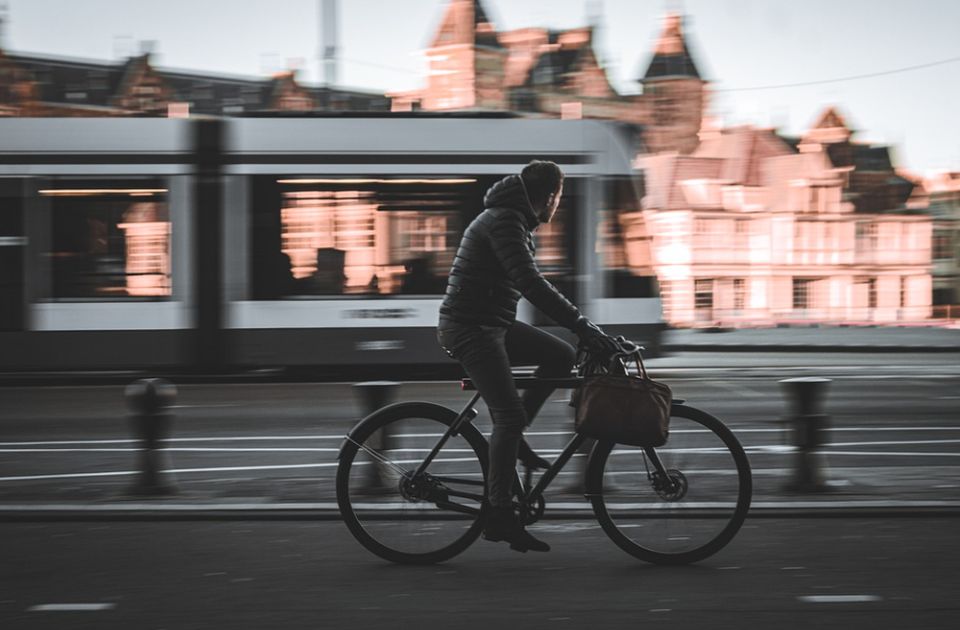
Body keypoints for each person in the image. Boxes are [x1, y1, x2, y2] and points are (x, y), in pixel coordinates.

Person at [437, 161, 619, 553]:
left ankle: (514, 441)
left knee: (560, 355)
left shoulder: (511, 218)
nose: (557, 205)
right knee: (508, 415)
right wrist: (583, 324)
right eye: (558, 197)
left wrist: (578, 331)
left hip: (491, 324)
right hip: (471, 328)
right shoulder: (505, 221)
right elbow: (530, 283)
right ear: (550, 196)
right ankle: (499, 514)